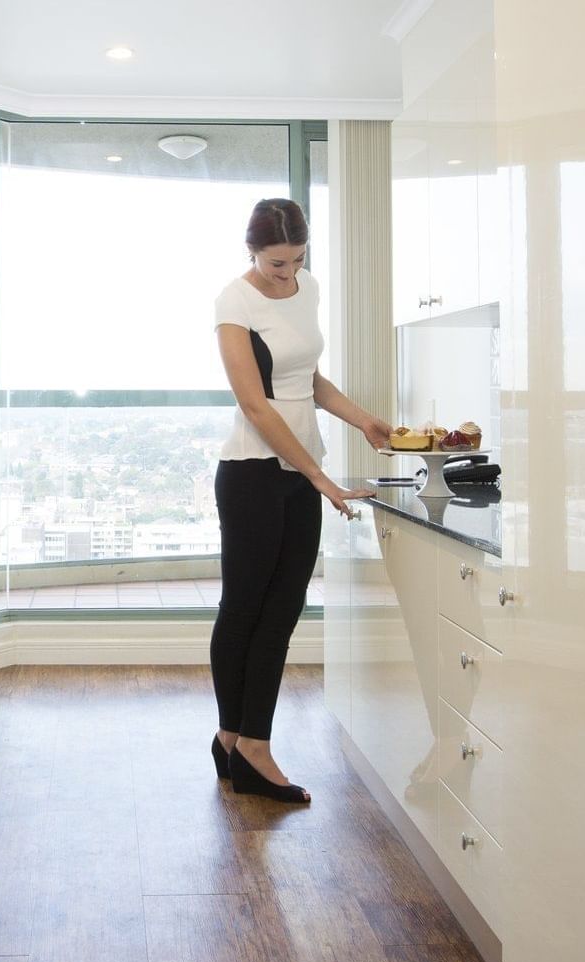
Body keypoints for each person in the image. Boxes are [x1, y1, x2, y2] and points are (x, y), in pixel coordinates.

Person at [209, 198, 391, 804]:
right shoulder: (234, 302)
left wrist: (363, 420)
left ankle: (239, 741)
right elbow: (257, 404)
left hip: (300, 471)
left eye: (296, 260)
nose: (287, 272)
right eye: (276, 263)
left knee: (283, 610)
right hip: (254, 471)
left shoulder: (306, 288)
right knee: (244, 609)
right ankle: (245, 743)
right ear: (252, 252)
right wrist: (320, 476)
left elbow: (307, 381)